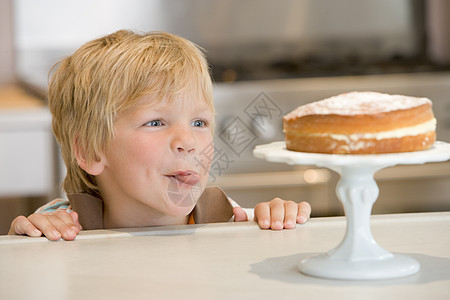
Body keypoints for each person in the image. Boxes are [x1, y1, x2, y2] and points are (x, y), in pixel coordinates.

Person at [8, 30, 311, 241]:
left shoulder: (227, 218)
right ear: (90, 152)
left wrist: (277, 222)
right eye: (155, 123)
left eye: (199, 122)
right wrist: (27, 239)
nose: (188, 142)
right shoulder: (61, 224)